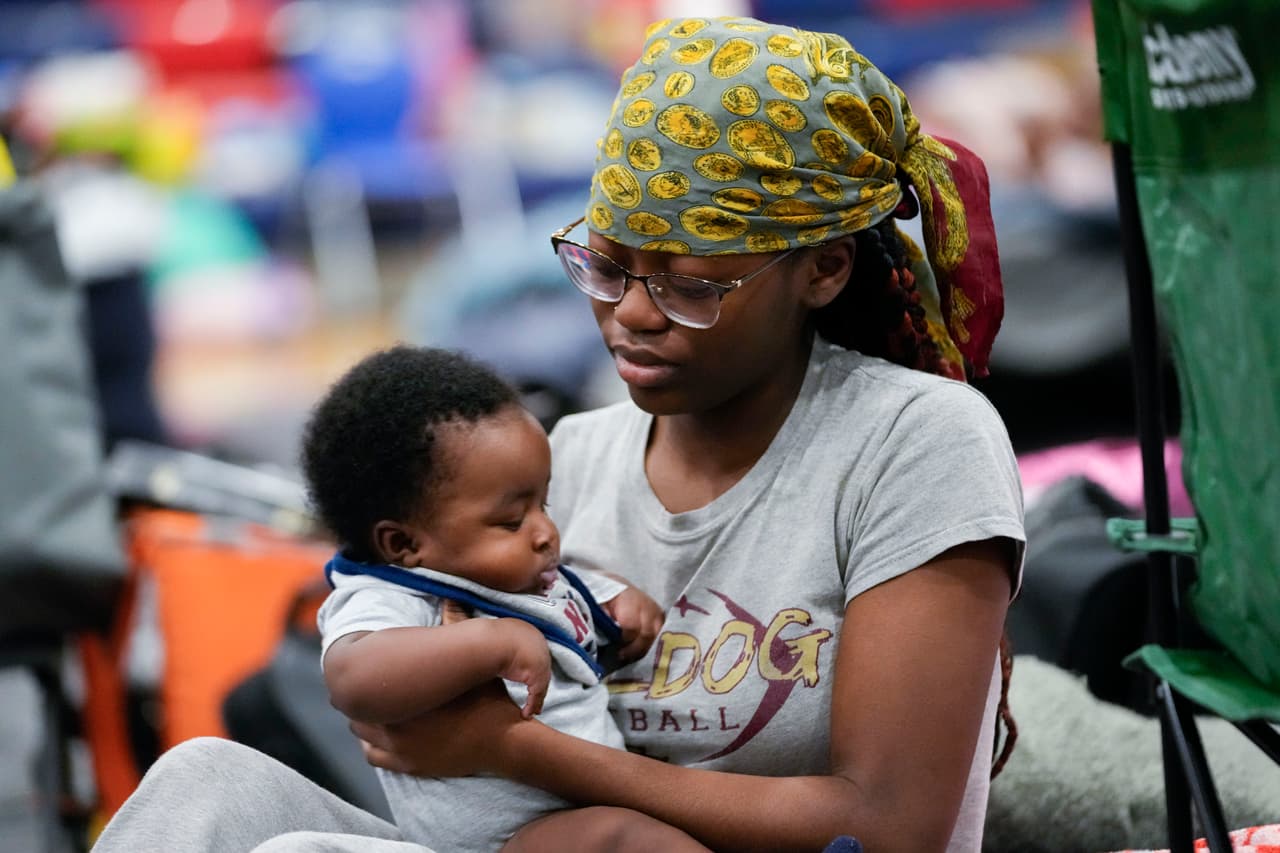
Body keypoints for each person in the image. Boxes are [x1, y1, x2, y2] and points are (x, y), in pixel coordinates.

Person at [92, 15, 1023, 853]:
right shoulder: (560, 461)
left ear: (822, 270)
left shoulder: (916, 442)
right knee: (205, 783)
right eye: (606, 266)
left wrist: (522, 751)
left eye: (688, 283)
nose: (630, 315)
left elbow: (891, 828)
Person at [303, 344, 703, 852]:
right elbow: (351, 679)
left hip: (573, 802)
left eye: (544, 503)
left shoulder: (516, 574)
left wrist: (616, 602)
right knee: (627, 839)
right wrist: (489, 641)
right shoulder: (393, 595)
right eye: (512, 521)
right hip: (505, 838)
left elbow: (567, 595)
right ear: (403, 544)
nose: (545, 532)